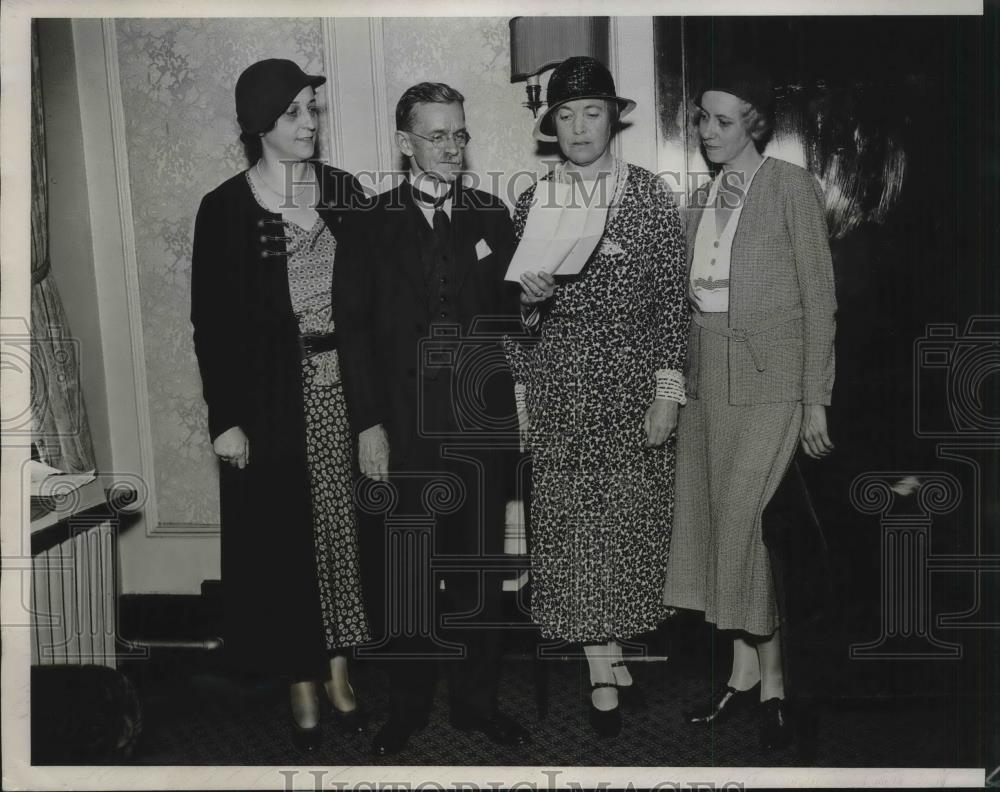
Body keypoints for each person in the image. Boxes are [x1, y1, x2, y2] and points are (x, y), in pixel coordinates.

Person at [333, 82, 530, 758]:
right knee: (406, 572)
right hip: (402, 425)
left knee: (477, 571)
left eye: (460, 134)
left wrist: (533, 299)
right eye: (438, 135)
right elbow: (352, 331)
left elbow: (511, 321)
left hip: (480, 422)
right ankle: (407, 708)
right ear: (405, 142)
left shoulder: (492, 215)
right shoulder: (367, 221)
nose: (452, 147)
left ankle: (478, 705)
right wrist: (368, 426)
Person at [504, 56, 689, 738]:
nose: (579, 126)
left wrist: (668, 392)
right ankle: (600, 670)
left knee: (627, 529)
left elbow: (672, 303)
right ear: (550, 124)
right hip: (561, 387)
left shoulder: (647, 197)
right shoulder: (534, 200)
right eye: (566, 114)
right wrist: (528, 311)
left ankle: (611, 651)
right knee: (573, 532)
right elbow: (513, 318)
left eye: (592, 112)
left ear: (613, 118)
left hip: (634, 385)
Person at [190, 58, 370, 753]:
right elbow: (213, 324)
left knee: (342, 539)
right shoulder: (228, 208)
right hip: (269, 405)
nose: (308, 124)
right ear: (260, 122)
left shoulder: (345, 193)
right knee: (283, 544)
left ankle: (338, 665)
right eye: (293, 112)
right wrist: (225, 418)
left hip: (344, 396)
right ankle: (300, 675)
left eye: (313, 110)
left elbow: (379, 291)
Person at [661, 64, 837, 751]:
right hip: (708, 377)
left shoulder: (790, 187)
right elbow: (682, 311)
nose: (708, 130)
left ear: (755, 125)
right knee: (714, 526)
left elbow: (819, 300)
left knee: (743, 520)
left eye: (723, 120)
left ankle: (775, 682)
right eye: (702, 118)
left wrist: (815, 400)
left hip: (771, 381)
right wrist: (674, 396)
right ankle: (741, 674)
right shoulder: (699, 198)